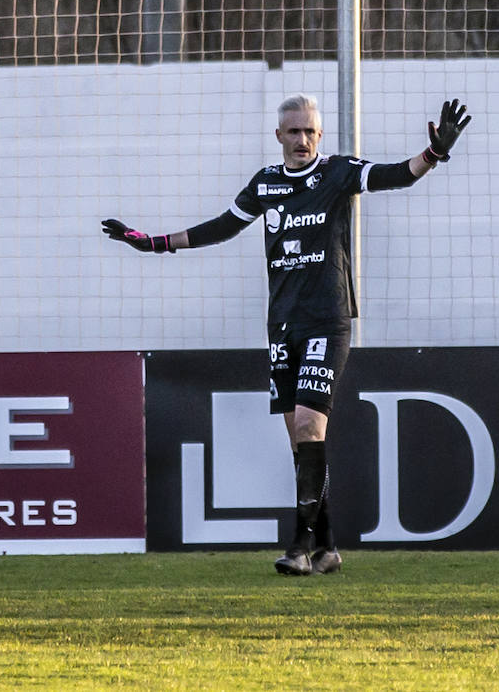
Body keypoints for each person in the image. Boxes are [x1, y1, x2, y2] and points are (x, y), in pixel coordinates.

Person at [102, 96, 471, 575]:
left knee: (308, 427)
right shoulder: (266, 184)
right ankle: (329, 547)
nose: (302, 140)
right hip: (282, 325)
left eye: (310, 132)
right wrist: (153, 243)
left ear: (321, 136)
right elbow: (222, 227)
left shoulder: (338, 174)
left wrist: (434, 153)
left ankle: (299, 545)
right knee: (302, 445)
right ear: (279, 136)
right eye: (293, 132)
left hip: (328, 319)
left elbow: (395, 175)